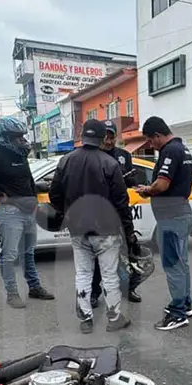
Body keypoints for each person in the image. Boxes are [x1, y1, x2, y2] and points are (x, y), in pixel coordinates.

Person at [48, 119, 135, 334]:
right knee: (109, 275)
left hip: (77, 228)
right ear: (100, 137)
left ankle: (86, 319)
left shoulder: (65, 161)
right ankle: (114, 318)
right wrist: (129, 229)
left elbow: (54, 195)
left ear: (82, 135)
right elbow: (121, 201)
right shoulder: (109, 163)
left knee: (83, 274)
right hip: (106, 229)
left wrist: (67, 212)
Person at [0, 116, 54, 308]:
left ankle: (34, 287)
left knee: (28, 252)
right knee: (9, 255)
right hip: (10, 213)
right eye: (17, 137)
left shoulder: (20, 156)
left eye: (22, 137)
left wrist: (34, 200)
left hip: (28, 211)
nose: (22, 141)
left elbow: (29, 180)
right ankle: (12, 293)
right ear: (5, 138)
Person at [137, 117, 192, 331]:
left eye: (151, 141)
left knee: (173, 265)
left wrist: (147, 190)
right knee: (182, 263)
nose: (152, 145)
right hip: (180, 213)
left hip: (171, 218)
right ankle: (185, 304)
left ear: (158, 135)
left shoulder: (170, 151)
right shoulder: (183, 149)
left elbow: (161, 184)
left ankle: (178, 313)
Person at [90, 120, 142, 306]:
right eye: (105, 137)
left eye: (112, 137)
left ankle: (128, 289)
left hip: (121, 211)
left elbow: (131, 181)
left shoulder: (124, 155)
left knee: (126, 254)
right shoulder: (92, 156)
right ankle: (94, 292)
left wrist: (129, 178)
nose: (109, 141)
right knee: (98, 256)